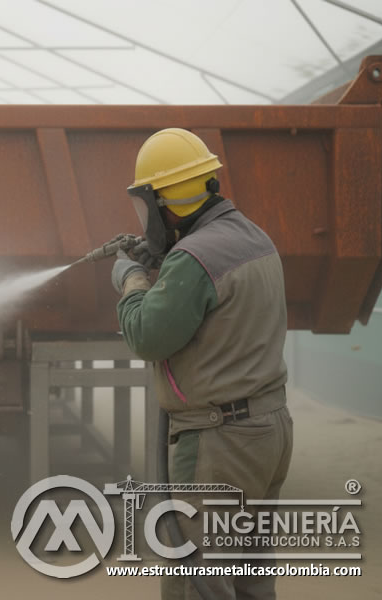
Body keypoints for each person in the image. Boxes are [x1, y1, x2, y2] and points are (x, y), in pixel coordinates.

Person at [111, 128, 294, 600]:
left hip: (220, 442)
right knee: (249, 574)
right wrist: (166, 260)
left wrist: (132, 279)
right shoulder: (252, 237)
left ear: (160, 201)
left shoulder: (193, 258)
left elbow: (148, 336)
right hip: (267, 430)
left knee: (199, 580)